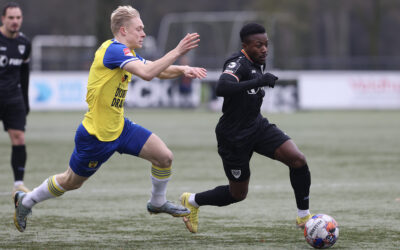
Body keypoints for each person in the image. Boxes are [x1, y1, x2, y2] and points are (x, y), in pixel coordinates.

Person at [13, 5, 207, 232]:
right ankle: (26, 201)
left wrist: (182, 70)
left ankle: (157, 202)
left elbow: (156, 69)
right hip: (96, 136)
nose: (143, 33)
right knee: (70, 182)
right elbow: (147, 74)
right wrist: (177, 51)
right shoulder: (113, 50)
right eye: (139, 28)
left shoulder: (127, 54)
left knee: (164, 157)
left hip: (120, 127)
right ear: (123, 30)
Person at [180, 23, 312, 233]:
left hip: (257, 126)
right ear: (245, 45)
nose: (264, 49)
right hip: (233, 136)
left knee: (298, 160)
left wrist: (257, 79)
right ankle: (193, 201)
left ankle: (304, 217)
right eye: (258, 45)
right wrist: (258, 81)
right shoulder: (238, 63)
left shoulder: (257, 62)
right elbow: (222, 87)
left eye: (266, 44)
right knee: (238, 194)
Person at [0, 2, 31, 196]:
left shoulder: (25, 43)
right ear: (3, 19)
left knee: (19, 138)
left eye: (18, 18)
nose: (15, 21)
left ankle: (18, 184)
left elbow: (24, 74)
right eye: (11, 18)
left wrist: (26, 101)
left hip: (14, 98)